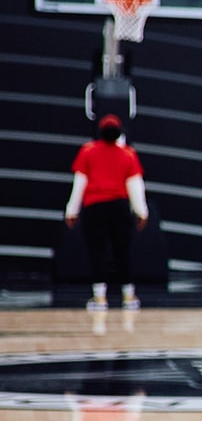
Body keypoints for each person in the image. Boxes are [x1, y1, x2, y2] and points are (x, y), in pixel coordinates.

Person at [65, 115, 148, 312]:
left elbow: (79, 184)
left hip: (95, 209)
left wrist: (71, 211)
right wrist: (141, 212)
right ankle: (129, 296)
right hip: (119, 208)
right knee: (123, 252)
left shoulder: (88, 151)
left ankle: (100, 298)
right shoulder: (128, 154)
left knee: (97, 252)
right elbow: (135, 186)